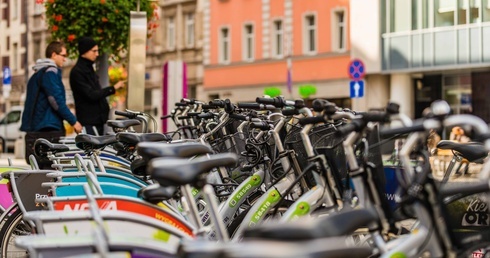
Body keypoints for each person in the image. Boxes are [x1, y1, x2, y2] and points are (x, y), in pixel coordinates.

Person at [20, 41, 83, 168]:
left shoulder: (38, 73)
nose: (65, 59)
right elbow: (56, 101)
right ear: (54, 55)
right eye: (63, 55)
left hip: (37, 128)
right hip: (48, 128)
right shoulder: (50, 73)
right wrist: (74, 121)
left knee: (40, 171)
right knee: (52, 170)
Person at [69, 36, 125, 136]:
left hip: (97, 122)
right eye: (94, 51)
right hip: (89, 123)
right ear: (84, 51)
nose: (97, 54)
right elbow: (91, 94)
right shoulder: (77, 72)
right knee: (92, 151)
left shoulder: (88, 69)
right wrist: (113, 88)